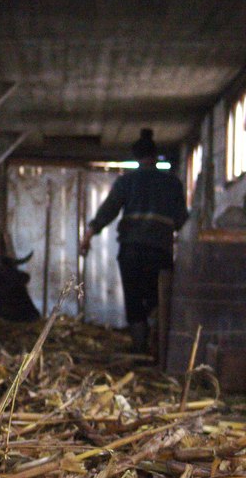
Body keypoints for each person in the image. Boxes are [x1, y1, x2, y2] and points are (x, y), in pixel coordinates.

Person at [80, 128, 189, 354]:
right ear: (155, 156)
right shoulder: (172, 184)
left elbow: (108, 210)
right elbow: (182, 222)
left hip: (132, 251)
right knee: (158, 298)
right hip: (160, 251)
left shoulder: (127, 182)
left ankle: (140, 347)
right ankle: (159, 347)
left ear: (136, 157)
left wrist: (89, 234)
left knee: (134, 298)